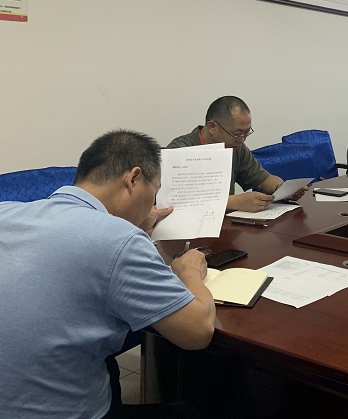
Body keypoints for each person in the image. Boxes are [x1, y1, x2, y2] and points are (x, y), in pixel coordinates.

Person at [0, 130, 216, 419]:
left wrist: (130, 228)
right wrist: (189, 273)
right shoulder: (120, 239)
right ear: (133, 178)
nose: (153, 204)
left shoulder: (7, 212)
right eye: (155, 191)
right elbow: (197, 332)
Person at [168, 96, 304, 213]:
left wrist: (284, 190)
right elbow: (175, 202)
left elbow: (263, 180)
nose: (242, 140)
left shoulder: (236, 148)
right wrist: (234, 202)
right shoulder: (179, 150)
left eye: (246, 133)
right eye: (237, 134)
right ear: (212, 127)